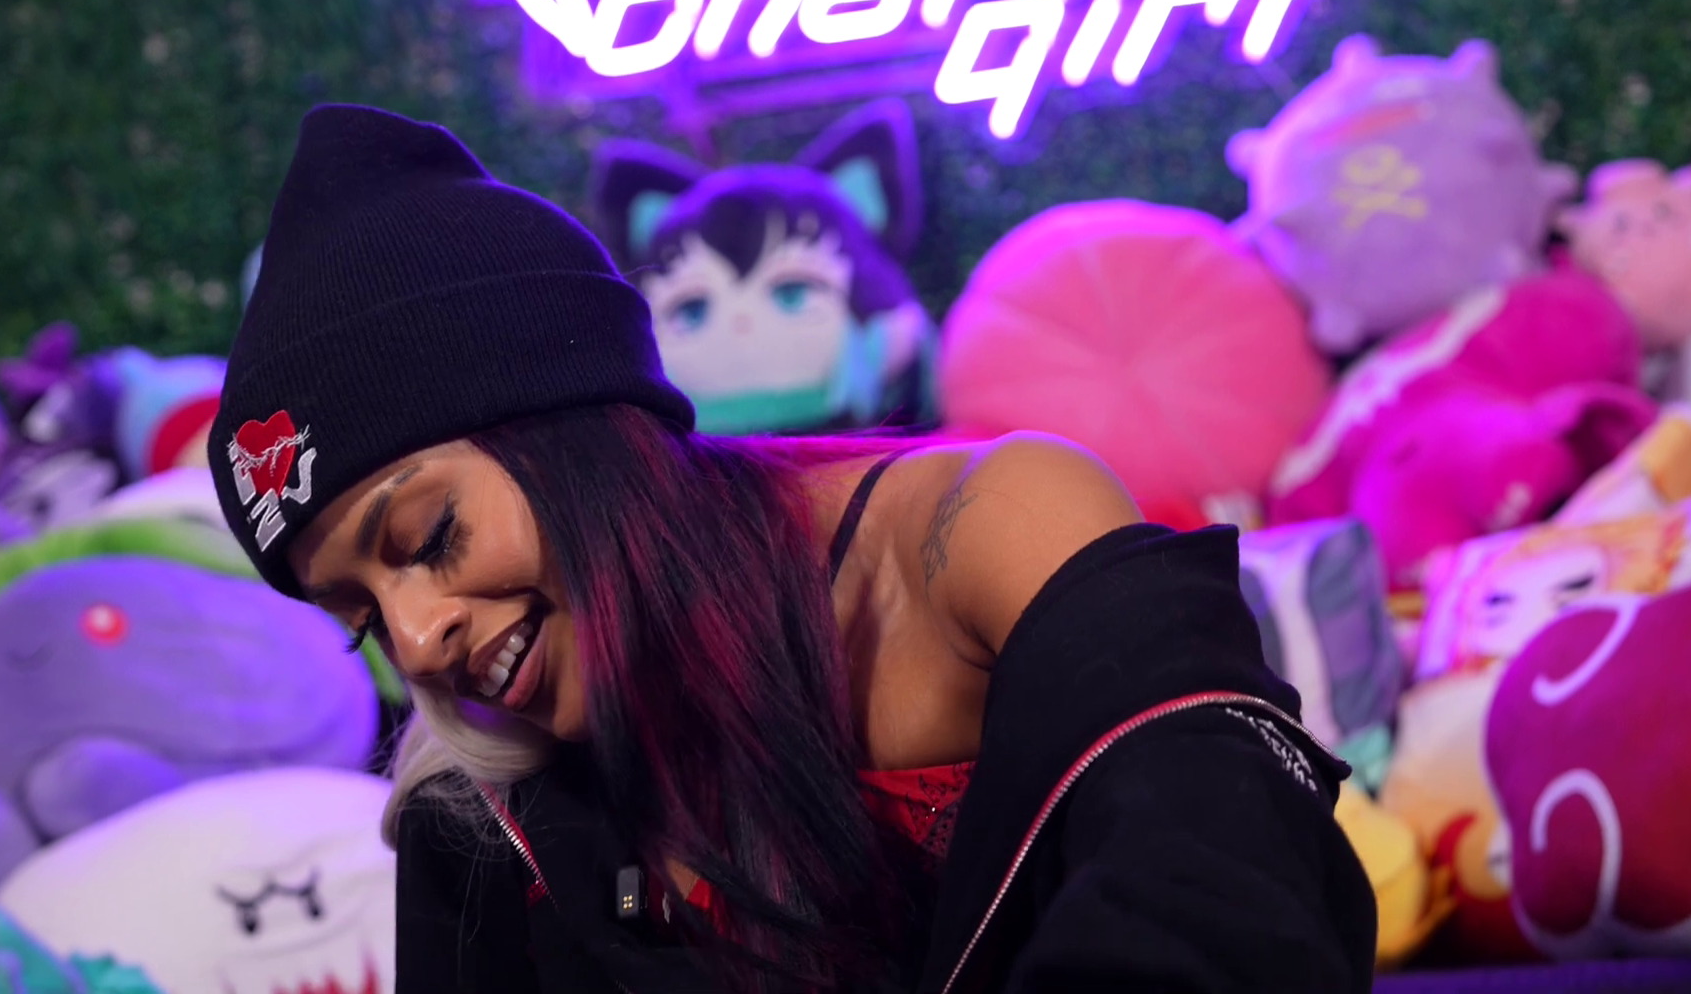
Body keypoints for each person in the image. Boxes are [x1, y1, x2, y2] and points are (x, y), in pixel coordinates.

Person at [209, 105, 1378, 994]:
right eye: (361, 617)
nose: (417, 640)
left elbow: (1223, 879)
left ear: (577, 426)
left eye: (427, 537)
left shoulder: (983, 528)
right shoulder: (476, 810)